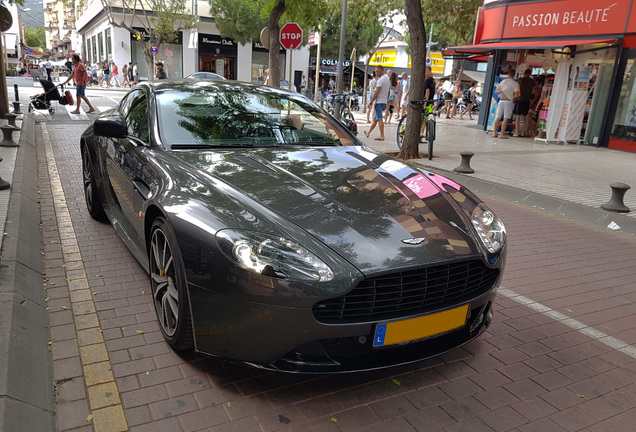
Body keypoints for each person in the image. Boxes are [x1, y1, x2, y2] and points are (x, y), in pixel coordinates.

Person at [492, 68, 520, 138]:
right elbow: (516, 95)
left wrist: (502, 91)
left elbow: (496, 91)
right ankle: (501, 134)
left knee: (497, 117)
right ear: (514, 74)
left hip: (501, 101)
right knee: (506, 118)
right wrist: (511, 97)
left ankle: (494, 133)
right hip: (508, 101)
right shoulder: (515, 83)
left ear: (508, 74)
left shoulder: (503, 82)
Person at [364, 65, 389, 141]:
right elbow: (388, 92)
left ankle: (382, 136)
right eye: (375, 71)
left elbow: (377, 92)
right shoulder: (387, 79)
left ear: (382, 71)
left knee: (379, 119)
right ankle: (368, 132)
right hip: (384, 101)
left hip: (379, 102)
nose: (376, 73)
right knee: (375, 119)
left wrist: (371, 101)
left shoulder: (380, 80)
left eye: (377, 71)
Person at [513, 69, 535, 137]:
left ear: (524, 73)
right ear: (530, 74)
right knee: (524, 117)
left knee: (518, 116)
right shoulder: (532, 81)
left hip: (520, 99)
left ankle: (516, 132)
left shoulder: (519, 80)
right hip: (527, 100)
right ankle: (523, 132)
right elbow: (533, 90)